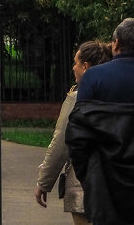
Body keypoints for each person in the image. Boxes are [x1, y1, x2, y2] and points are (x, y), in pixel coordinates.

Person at [35, 40, 113, 224]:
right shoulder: (116, 91)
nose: (73, 68)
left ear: (85, 67)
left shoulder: (77, 97)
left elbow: (61, 142)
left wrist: (44, 183)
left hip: (82, 184)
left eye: (75, 63)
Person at [67, 17, 134, 225]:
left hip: (105, 181)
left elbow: (78, 133)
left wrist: (88, 176)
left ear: (115, 43)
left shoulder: (94, 77)